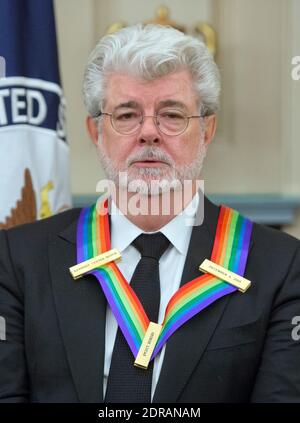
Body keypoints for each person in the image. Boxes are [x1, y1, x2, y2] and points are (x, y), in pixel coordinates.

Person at [0, 23, 300, 403]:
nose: (148, 133)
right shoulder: (18, 259)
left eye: (172, 115)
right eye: (126, 115)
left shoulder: (281, 266)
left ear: (207, 130)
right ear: (95, 131)